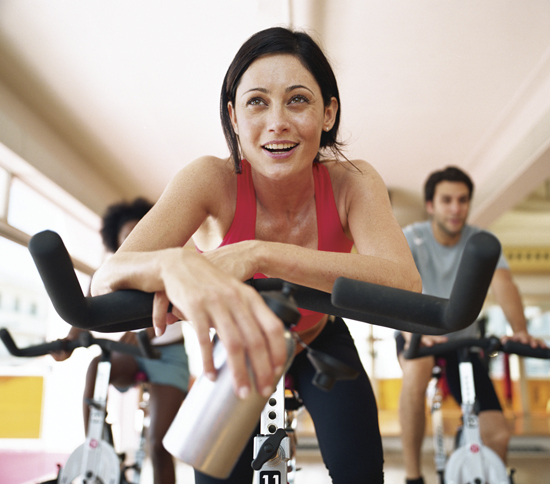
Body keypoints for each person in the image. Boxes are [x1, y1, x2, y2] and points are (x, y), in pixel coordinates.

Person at [91, 27, 422, 484]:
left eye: (298, 100)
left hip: (316, 335)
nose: (277, 122)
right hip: (236, 342)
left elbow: (403, 281)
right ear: (233, 116)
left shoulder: (354, 180)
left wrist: (258, 253)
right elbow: (104, 281)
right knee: (213, 473)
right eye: (257, 102)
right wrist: (174, 263)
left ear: (328, 112)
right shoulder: (209, 178)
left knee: (360, 471)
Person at [395, 166, 546, 484]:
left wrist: (520, 330)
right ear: (431, 205)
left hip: (462, 341)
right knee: (417, 372)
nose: (455, 208)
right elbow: (399, 290)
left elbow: (504, 284)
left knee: (499, 435)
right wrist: (415, 335)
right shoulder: (412, 237)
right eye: (447, 200)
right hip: (418, 333)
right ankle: (412, 475)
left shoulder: (479, 241)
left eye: (462, 200)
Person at [52, 197, 190, 484]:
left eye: (142, 230)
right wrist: (67, 343)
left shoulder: (167, 266)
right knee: (97, 366)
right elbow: (83, 313)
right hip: (134, 353)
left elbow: (162, 317)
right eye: (128, 235)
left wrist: (139, 332)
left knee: (159, 445)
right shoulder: (107, 272)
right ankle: (99, 451)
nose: (136, 239)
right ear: (117, 241)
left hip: (168, 355)